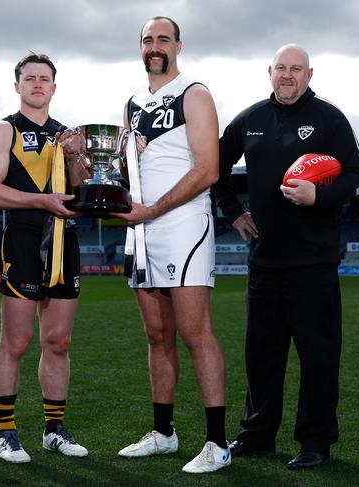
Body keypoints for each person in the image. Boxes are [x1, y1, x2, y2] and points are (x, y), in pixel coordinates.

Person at [213, 44, 359, 470]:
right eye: (281, 68)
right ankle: (257, 435)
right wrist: (234, 212)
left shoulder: (329, 119)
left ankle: (315, 441)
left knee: (318, 356)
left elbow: (358, 176)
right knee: (261, 355)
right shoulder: (250, 120)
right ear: (269, 72)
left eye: (295, 68)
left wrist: (319, 194)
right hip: (263, 261)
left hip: (314, 262)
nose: (287, 75)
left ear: (309, 73)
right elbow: (214, 169)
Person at [113, 17, 230, 474]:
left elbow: (209, 169)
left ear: (177, 45)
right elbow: (130, 175)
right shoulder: (131, 103)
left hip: (181, 224)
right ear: (140, 48)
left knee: (195, 333)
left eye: (163, 38)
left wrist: (154, 209)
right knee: (157, 335)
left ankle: (217, 443)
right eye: (147, 39)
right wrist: (123, 157)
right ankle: (163, 433)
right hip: (141, 228)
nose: (155, 46)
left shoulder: (194, 93)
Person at [0, 53, 89, 464]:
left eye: (45, 79)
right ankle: (4, 433)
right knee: (17, 341)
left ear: (54, 88)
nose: (38, 84)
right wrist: (41, 200)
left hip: (65, 239)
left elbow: (79, 192)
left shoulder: (69, 134)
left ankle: (54, 429)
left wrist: (77, 158)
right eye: (30, 78)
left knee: (58, 341)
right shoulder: (3, 131)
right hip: (22, 240)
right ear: (18, 86)